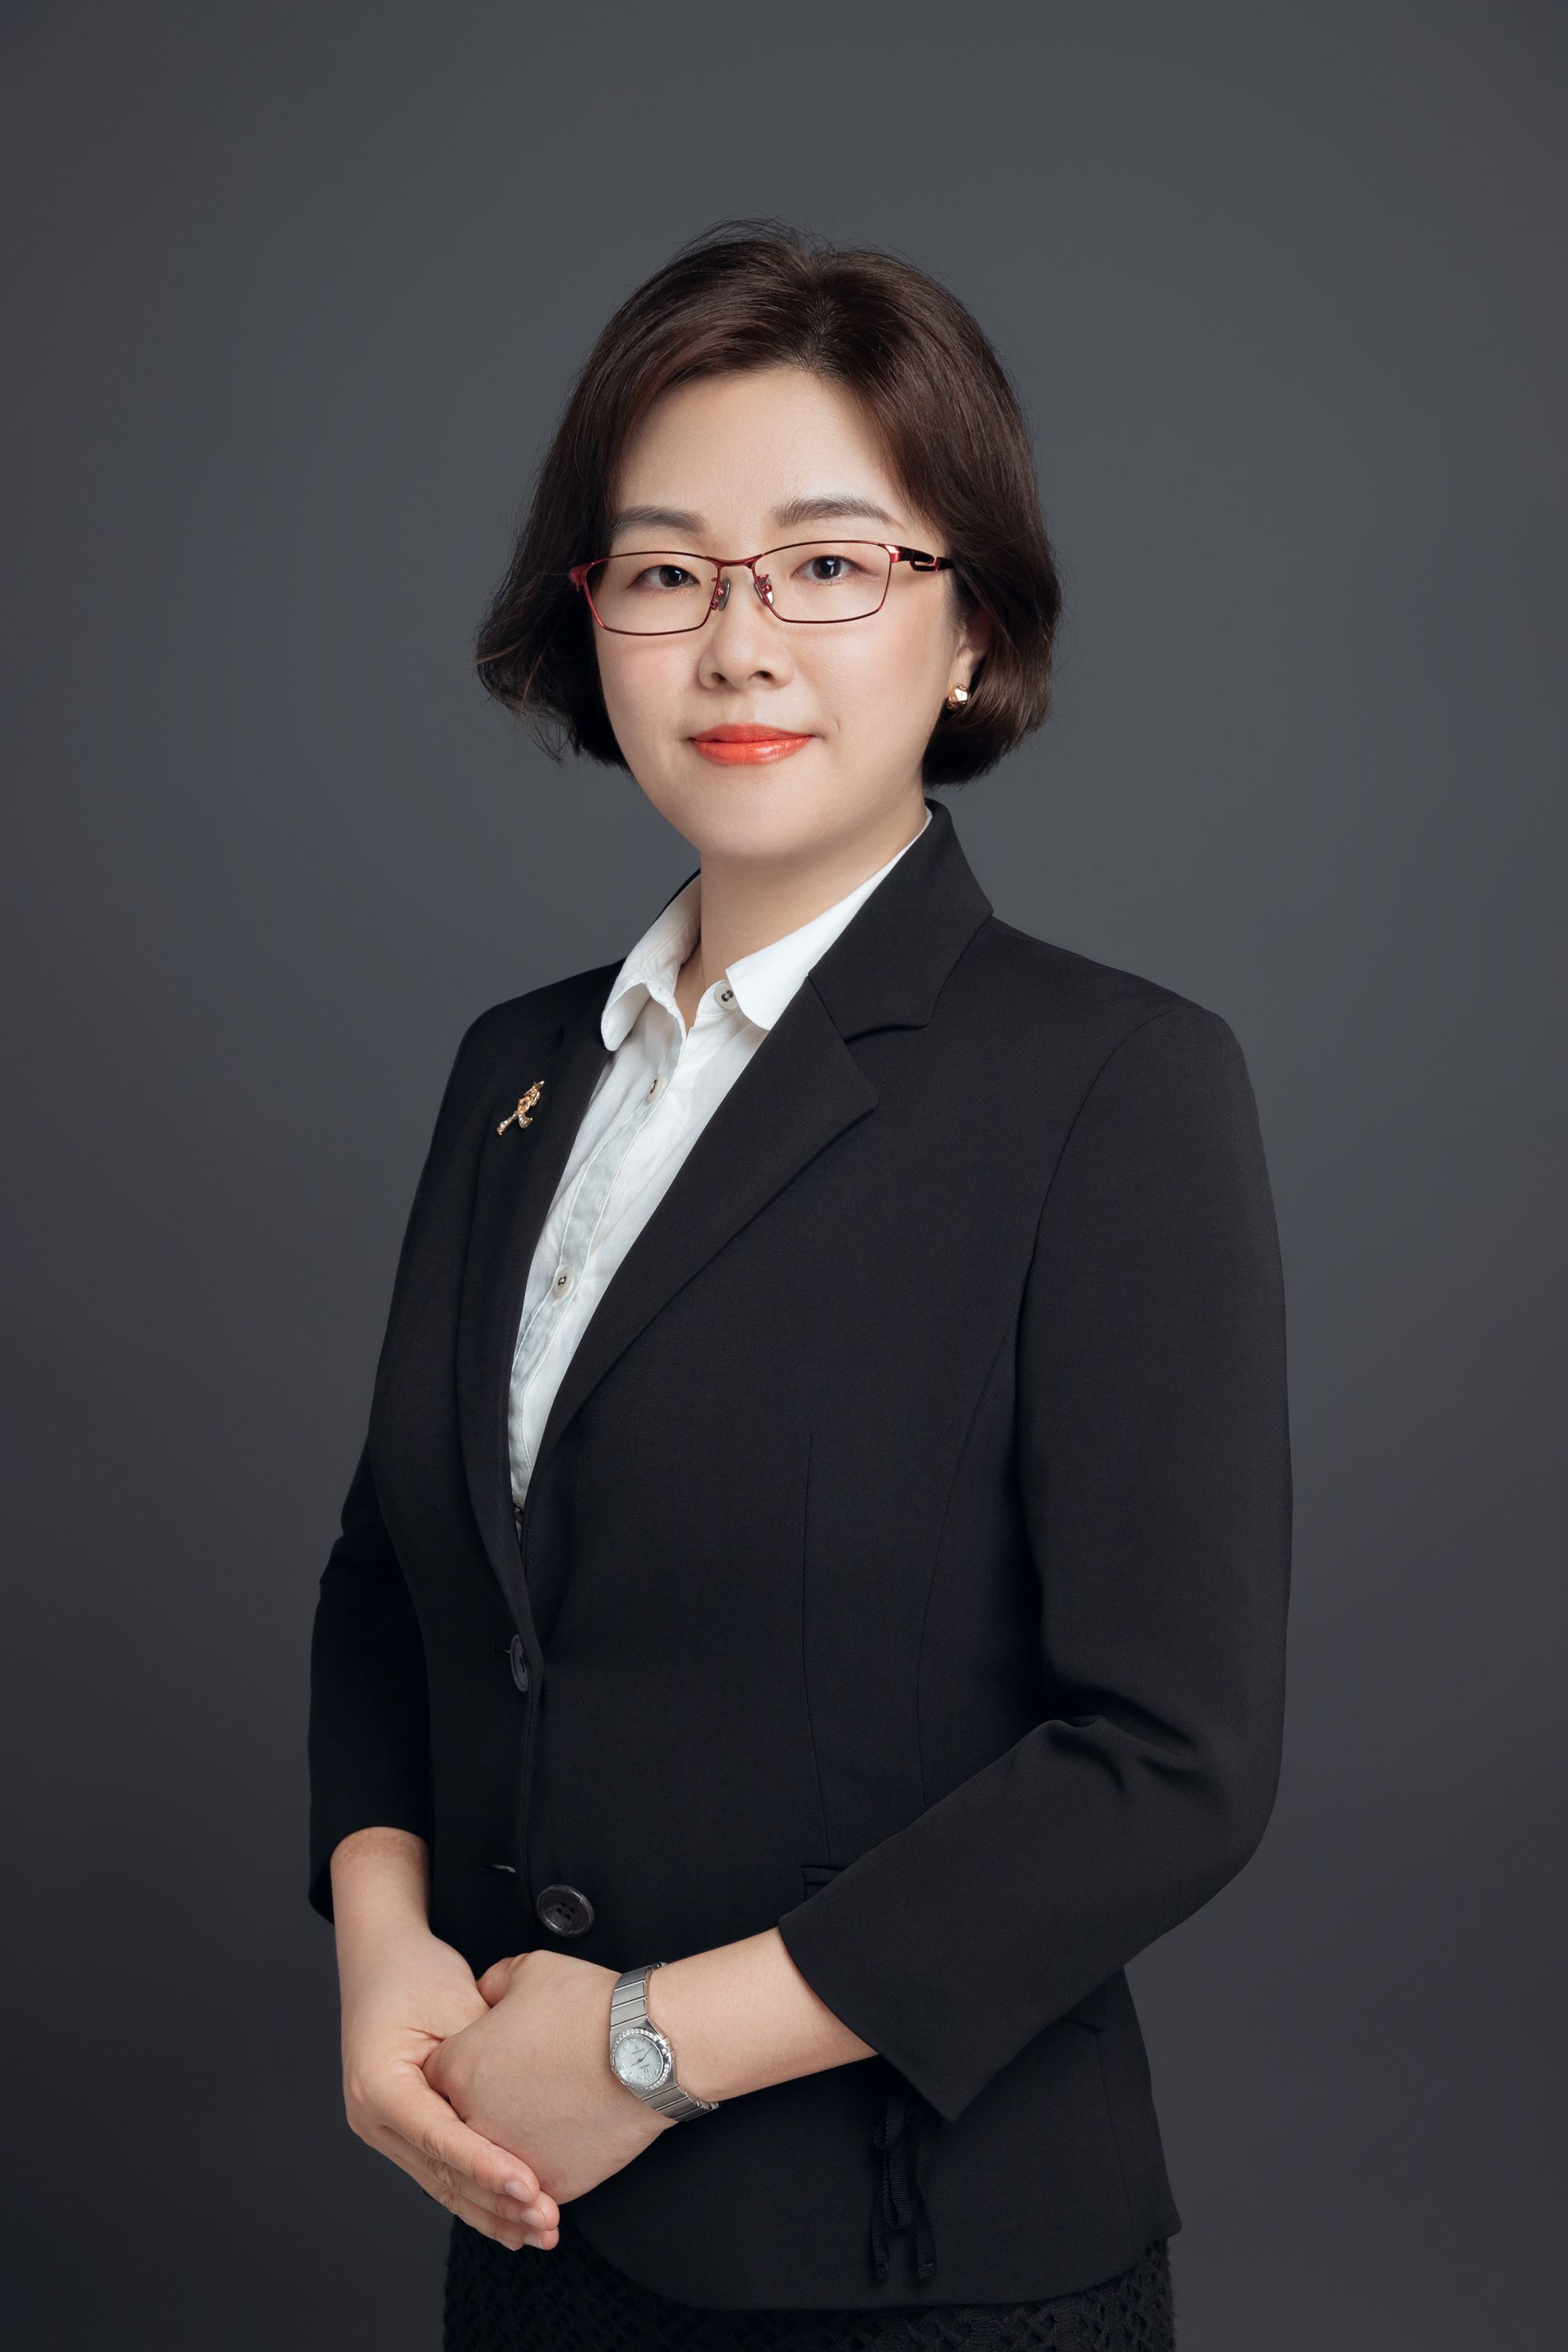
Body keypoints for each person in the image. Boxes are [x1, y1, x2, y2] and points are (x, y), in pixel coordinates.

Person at [307, 221, 1291, 2352]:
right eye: (667, 574)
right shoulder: (515, 1071)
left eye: (829, 565)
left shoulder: (1114, 1083)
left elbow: (1170, 1758)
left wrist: (649, 2046)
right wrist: (383, 1955)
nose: (737, 645)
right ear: (591, 623)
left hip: (916, 2269)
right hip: (524, 2226)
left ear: (970, 629)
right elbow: (400, 1578)